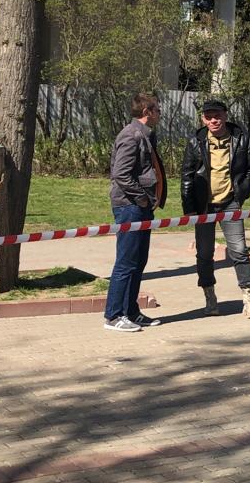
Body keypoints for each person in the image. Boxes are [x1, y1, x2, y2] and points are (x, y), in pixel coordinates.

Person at [181, 99, 250, 318]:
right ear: (203, 119)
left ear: (225, 116)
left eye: (217, 116)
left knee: (239, 250)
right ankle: (210, 299)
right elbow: (187, 175)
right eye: (209, 117)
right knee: (204, 253)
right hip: (203, 207)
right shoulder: (196, 141)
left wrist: (241, 192)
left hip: (230, 203)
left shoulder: (241, 138)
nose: (214, 121)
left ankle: (248, 299)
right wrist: (189, 207)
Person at [105, 93, 166, 332]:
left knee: (138, 261)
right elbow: (121, 174)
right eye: (157, 109)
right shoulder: (130, 135)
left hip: (142, 207)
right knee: (126, 262)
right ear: (147, 112)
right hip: (129, 207)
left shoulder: (146, 135)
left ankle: (131, 312)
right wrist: (141, 198)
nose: (160, 113)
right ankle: (114, 315)